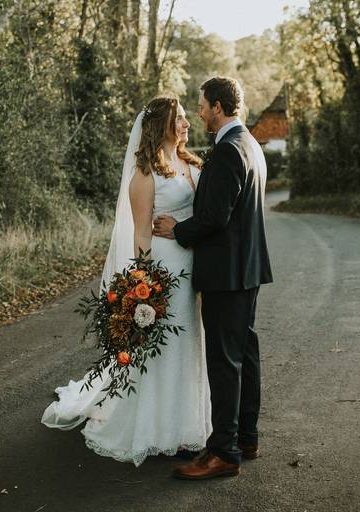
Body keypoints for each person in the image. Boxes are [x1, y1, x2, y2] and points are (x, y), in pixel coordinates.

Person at [41, 96, 211, 466]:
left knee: (190, 343)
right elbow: (142, 235)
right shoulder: (145, 175)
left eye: (185, 118)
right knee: (165, 347)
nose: (186, 124)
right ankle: (159, 428)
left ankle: (189, 423)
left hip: (194, 266)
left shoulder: (191, 162)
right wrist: (144, 286)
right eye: (179, 119)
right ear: (161, 125)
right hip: (165, 272)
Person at [153, 76, 273, 480]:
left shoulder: (226, 152)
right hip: (248, 268)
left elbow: (215, 218)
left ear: (219, 107)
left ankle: (223, 452)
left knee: (224, 363)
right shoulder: (251, 145)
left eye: (202, 105)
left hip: (226, 272)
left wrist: (177, 230)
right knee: (245, 354)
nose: (199, 112)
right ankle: (247, 437)